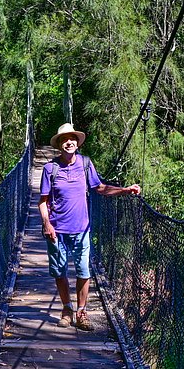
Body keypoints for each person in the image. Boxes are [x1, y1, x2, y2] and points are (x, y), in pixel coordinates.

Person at [39, 123, 141, 330]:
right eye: (64, 139)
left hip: (81, 229)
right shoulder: (50, 168)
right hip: (57, 231)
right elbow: (43, 200)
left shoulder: (85, 164)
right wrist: (47, 224)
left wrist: (125, 190)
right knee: (60, 272)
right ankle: (67, 310)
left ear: (77, 142)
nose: (69, 142)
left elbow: (100, 188)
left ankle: (82, 312)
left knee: (84, 272)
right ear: (59, 144)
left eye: (72, 139)